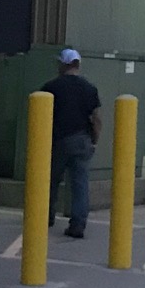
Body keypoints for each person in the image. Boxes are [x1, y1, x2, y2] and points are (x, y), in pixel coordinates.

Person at [42, 48, 102, 239]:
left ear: (63, 64)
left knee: (50, 181)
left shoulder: (51, 87)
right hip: (82, 139)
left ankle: (45, 217)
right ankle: (77, 224)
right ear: (78, 64)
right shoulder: (89, 89)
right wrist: (94, 141)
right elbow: (96, 119)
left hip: (58, 140)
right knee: (80, 185)